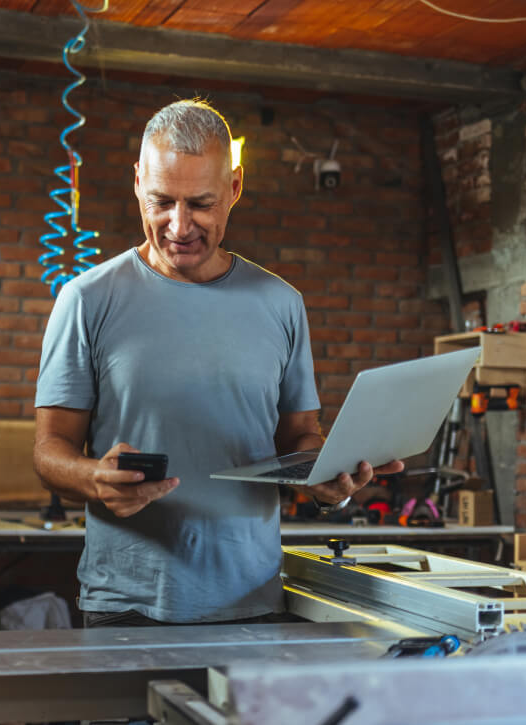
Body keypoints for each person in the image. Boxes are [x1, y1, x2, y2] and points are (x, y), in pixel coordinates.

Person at [33, 99, 402, 627]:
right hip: (126, 604)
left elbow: (298, 436)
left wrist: (326, 478)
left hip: (252, 600)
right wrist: (95, 478)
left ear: (234, 188)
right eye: (161, 201)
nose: (179, 226)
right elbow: (49, 451)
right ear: (137, 182)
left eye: (201, 204)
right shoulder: (87, 300)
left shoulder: (281, 303)